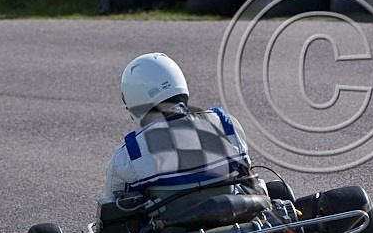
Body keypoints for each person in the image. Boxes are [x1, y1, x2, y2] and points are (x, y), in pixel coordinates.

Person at [104, 52, 262, 200]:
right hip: (234, 222)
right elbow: (248, 182)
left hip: (169, 228)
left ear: (133, 100)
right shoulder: (226, 125)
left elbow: (113, 210)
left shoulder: (129, 155)